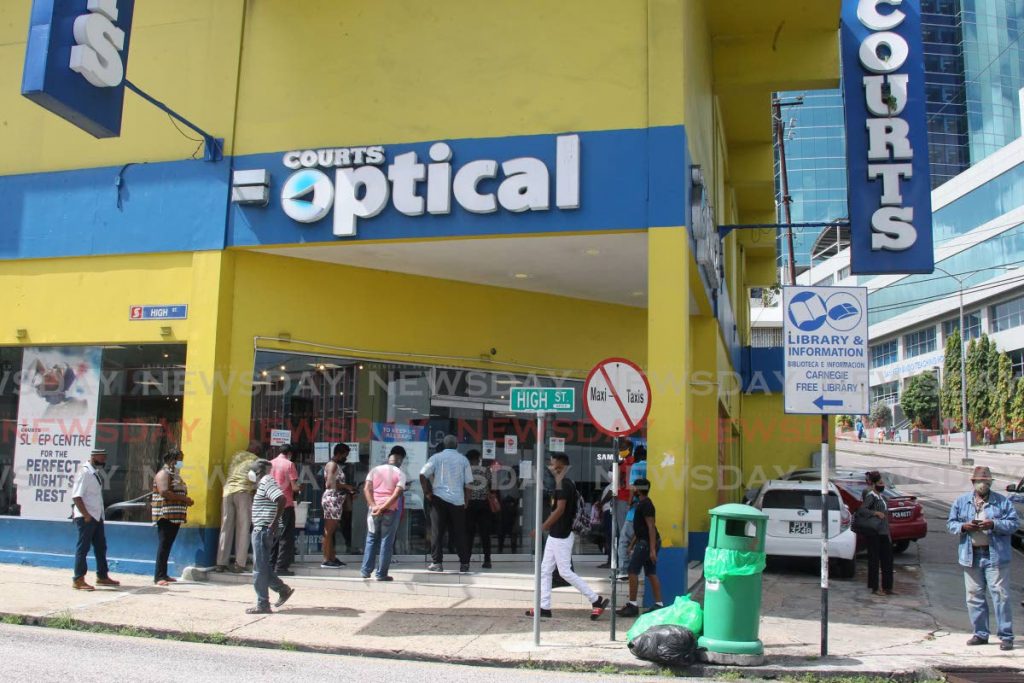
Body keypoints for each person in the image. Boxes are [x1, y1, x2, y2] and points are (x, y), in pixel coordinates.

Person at [525, 452, 609, 620]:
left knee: (564, 572)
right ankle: (544, 607)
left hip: (561, 534)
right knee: (545, 570)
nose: (551, 467)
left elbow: (560, 510)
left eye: (554, 464)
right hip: (556, 534)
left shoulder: (564, 485)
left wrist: (542, 527)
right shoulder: (563, 484)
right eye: (550, 464)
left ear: (562, 466)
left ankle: (596, 600)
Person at [946, 466, 1019, 650]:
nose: (983, 485)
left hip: (996, 556)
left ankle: (1006, 636)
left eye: (986, 482)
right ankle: (980, 633)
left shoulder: (1002, 502)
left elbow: (1013, 524)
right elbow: (951, 523)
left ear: (990, 483)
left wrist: (993, 524)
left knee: (1000, 595)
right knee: (974, 596)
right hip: (971, 556)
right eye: (980, 481)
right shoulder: (962, 502)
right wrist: (964, 527)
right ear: (973, 482)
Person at [247, 459, 295, 614]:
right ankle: (283, 590)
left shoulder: (266, 481)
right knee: (263, 567)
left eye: (252, 469)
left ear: (258, 470)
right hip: (262, 530)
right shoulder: (264, 482)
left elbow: (281, 499)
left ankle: (263, 604)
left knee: (259, 570)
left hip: (263, 530)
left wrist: (274, 523)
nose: (250, 472)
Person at [420, 434, 473, 573]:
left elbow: (422, 474)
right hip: (458, 500)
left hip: (439, 499)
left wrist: (427, 493)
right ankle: (464, 563)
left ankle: (437, 563)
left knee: (437, 532)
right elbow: (469, 483)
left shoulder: (436, 458)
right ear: (457, 445)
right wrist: (466, 501)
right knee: (460, 532)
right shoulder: (463, 460)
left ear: (443, 445)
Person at [70, 448, 120, 591]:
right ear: (94, 456)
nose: (104, 460)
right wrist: (86, 515)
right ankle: (78, 579)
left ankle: (102, 576)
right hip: (86, 517)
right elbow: (76, 496)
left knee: (100, 547)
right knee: (83, 548)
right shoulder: (84, 472)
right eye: (102, 457)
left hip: (96, 516)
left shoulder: (94, 473)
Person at [616, 478, 664, 616]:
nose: (632, 489)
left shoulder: (647, 505)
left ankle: (632, 605)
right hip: (644, 542)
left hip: (646, 543)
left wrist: (653, 550)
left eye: (634, 487)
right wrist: (631, 544)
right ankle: (659, 604)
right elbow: (641, 528)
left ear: (638, 489)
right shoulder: (641, 504)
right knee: (650, 573)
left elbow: (651, 527)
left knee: (632, 571)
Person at [362, 446, 407, 580]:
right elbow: (397, 493)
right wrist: (383, 507)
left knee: (371, 539)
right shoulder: (400, 474)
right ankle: (381, 574)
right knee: (386, 541)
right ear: (400, 461)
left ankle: (365, 571)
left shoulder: (374, 470)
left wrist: (374, 506)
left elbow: (366, 489)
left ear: (389, 459)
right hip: (390, 511)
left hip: (373, 511)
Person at [215, 440, 261, 572]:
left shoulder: (236, 455)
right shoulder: (256, 460)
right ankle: (239, 564)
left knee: (225, 527)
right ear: (257, 450)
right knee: (243, 528)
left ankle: (220, 563)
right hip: (243, 492)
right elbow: (254, 479)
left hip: (227, 491)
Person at [151, 448, 194, 586]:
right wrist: (184, 499)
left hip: (175, 516)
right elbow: (164, 492)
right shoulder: (164, 473)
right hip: (166, 515)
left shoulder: (174, 474)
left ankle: (164, 573)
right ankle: (159, 576)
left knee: (168, 544)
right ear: (172, 460)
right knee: (163, 545)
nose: (181, 462)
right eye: (180, 459)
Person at [858, 471, 894, 596]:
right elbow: (862, 510)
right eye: (880, 482)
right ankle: (875, 587)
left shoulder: (882, 497)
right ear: (873, 483)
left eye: (882, 482)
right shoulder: (870, 494)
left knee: (887, 560)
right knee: (874, 560)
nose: (882, 484)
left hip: (884, 532)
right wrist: (875, 513)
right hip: (874, 532)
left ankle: (887, 587)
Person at [321, 443, 356, 568]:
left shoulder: (335, 465)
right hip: (332, 499)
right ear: (339, 453)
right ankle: (326, 559)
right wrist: (347, 486)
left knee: (332, 530)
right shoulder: (332, 465)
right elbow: (330, 484)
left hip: (336, 499)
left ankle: (332, 557)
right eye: (345, 455)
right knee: (329, 531)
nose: (346, 457)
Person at [617, 445, 647, 580]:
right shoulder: (651, 466)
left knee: (624, 540)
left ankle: (623, 570)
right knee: (640, 540)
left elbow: (632, 487)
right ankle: (637, 570)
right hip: (648, 509)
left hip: (635, 510)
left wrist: (629, 503)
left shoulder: (636, 467)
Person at [270, 443, 300, 576]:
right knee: (285, 536)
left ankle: (271, 564)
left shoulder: (270, 463)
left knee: (273, 535)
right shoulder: (289, 464)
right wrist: (299, 489)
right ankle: (281, 567)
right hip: (285, 504)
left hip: (271, 504)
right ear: (290, 453)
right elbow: (294, 487)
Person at [465, 449, 494, 569]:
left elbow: (466, 487)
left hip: (470, 504)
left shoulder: (467, 471)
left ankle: (466, 560)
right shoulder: (486, 470)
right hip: (484, 504)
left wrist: (465, 502)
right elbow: (490, 485)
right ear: (478, 458)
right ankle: (487, 560)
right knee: (485, 534)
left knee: (469, 534)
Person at [597, 479, 614, 569]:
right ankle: (610, 560)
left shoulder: (615, 483)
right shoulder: (610, 484)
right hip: (606, 512)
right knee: (608, 537)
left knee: (610, 537)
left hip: (609, 512)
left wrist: (601, 503)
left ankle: (611, 561)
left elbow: (611, 493)